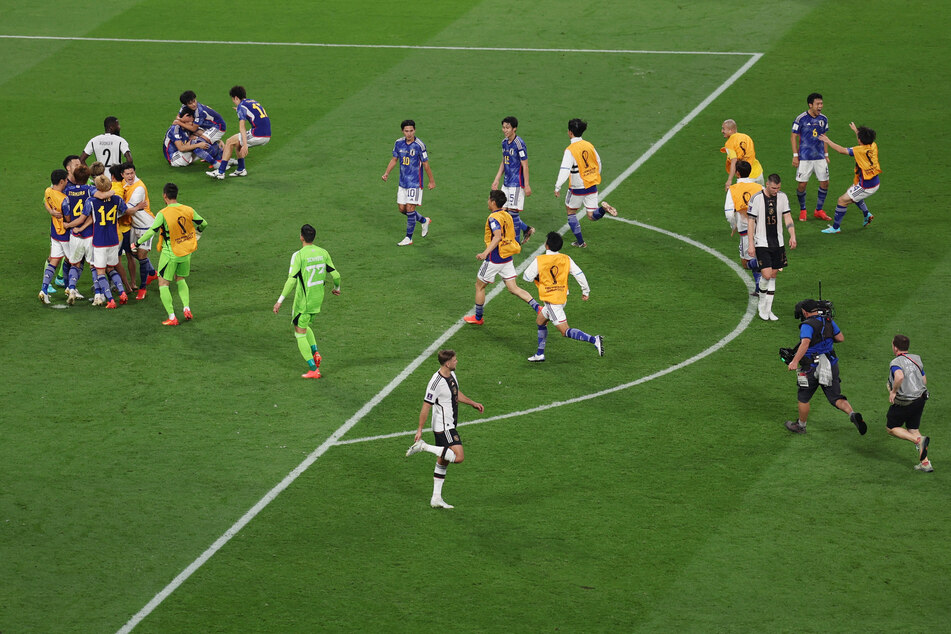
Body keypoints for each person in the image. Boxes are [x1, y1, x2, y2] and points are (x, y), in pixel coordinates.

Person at [405, 349, 484, 509]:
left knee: (443, 460)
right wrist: (420, 429)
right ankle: (423, 446)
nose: (457, 362)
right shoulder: (435, 383)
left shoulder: (452, 375)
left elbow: (454, 393)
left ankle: (436, 498)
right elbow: (426, 406)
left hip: (450, 424)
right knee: (458, 456)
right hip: (444, 427)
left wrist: (472, 403)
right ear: (447, 363)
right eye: (455, 360)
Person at [784, 299, 866, 435]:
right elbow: (840, 338)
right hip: (830, 363)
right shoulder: (828, 321)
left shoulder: (807, 325)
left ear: (804, 312)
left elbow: (805, 343)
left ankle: (801, 426)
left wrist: (794, 361)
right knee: (836, 397)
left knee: (803, 397)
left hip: (810, 367)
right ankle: (851, 413)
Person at [522, 231, 604, 361]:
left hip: (552, 301)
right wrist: (585, 291)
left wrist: (541, 277)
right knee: (540, 321)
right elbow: (579, 274)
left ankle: (594, 340)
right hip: (562, 297)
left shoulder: (540, 260)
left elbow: (526, 277)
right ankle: (540, 354)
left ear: (546, 245)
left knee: (565, 331)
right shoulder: (566, 258)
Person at [272, 224, 341, 379]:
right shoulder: (323, 252)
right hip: (318, 300)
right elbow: (336, 275)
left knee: (299, 333)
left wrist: (279, 301)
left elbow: (291, 281)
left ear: (301, 237)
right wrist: (337, 288)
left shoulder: (299, 255)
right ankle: (315, 352)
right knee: (304, 325)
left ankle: (313, 369)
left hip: (304, 301)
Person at [463, 190, 541, 325]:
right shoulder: (507, 215)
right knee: (513, 288)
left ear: (493, 202)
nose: (487, 201)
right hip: (507, 257)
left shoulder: (493, 219)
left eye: (489, 199)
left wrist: (485, 253)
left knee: (479, 286)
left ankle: (478, 318)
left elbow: (497, 236)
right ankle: (538, 307)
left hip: (494, 258)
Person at [136, 183, 207, 325]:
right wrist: (197, 232)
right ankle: (186, 308)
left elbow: (151, 231)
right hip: (186, 253)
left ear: (164, 196)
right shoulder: (188, 209)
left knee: (163, 283)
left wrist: (137, 243)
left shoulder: (163, 213)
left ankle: (172, 317)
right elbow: (203, 223)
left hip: (170, 254)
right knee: (181, 280)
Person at [554, 118, 617, 248]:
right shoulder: (589, 145)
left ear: (570, 132)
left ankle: (581, 242)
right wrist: (594, 175)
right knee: (591, 215)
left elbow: (565, 170)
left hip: (577, 188)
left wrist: (557, 186)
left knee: (571, 211)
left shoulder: (570, 150)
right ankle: (603, 209)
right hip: (591, 185)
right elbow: (598, 162)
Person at [746, 174, 796, 321]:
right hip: (761, 242)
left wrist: (792, 235)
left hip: (778, 243)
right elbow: (751, 222)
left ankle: (769, 310)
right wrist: (751, 244)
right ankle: (762, 305)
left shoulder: (782, 197)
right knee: (766, 275)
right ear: (767, 184)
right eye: (774, 188)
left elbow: (787, 217)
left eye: (778, 188)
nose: (776, 190)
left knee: (773, 276)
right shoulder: (756, 198)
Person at [818, 122, 881, 233]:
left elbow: (841, 150)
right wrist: (856, 131)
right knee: (851, 193)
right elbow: (864, 139)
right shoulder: (873, 145)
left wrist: (827, 141)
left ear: (860, 140)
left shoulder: (858, 150)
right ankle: (867, 214)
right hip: (873, 181)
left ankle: (836, 228)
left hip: (866, 186)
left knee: (842, 200)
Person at [80, 175, 131, 308]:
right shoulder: (117, 199)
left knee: (100, 272)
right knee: (111, 268)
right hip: (114, 239)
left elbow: (84, 216)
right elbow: (124, 210)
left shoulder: (91, 201)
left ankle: (110, 300)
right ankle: (122, 293)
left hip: (100, 241)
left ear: (97, 187)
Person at [381, 119, 434, 245]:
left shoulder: (419, 145)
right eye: (406, 131)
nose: (409, 133)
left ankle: (408, 238)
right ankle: (423, 220)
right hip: (403, 182)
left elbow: (426, 164)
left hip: (415, 183)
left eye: (411, 131)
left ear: (414, 130)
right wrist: (386, 173)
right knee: (402, 209)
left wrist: (431, 181)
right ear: (402, 131)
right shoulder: (398, 143)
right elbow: (394, 159)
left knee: (410, 208)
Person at [886, 335, 932, 472]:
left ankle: (918, 441)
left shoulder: (896, 362)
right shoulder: (916, 359)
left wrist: (893, 391)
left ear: (895, 347)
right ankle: (925, 463)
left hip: (905, 402)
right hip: (921, 399)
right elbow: (924, 380)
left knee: (891, 427)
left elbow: (899, 376)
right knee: (913, 429)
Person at [210, 85, 271, 179]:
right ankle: (241, 169)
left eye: (233, 100)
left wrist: (245, 144)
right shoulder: (252, 101)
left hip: (258, 134)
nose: (234, 102)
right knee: (237, 143)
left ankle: (220, 172)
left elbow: (242, 128)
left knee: (230, 141)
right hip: (267, 133)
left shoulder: (241, 107)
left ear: (236, 98)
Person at [723, 160, 765, 296]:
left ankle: (765, 267)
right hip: (762, 228)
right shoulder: (760, 188)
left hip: (746, 230)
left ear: (737, 173)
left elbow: (729, 213)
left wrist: (733, 225)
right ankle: (760, 287)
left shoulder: (733, 189)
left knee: (746, 263)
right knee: (759, 255)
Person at [491, 116, 534, 243]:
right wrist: (497, 179)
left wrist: (527, 185)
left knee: (513, 213)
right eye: (503, 127)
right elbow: (504, 161)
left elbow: (525, 164)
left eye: (508, 128)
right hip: (506, 182)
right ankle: (526, 229)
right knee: (503, 211)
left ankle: (515, 243)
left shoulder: (519, 144)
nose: (505, 130)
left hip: (516, 183)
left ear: (514, 129)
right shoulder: (504, 142)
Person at [791, 93, 833, 222]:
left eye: (821, 103)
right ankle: (803, 209)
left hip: (820, 156)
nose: (820, 106)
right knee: (802, 185)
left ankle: (818, 210)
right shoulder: (801, 119)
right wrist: (795, 156)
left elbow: (824, 137)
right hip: (804, 157)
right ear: (810, 105)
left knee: (825, 183)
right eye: (817, 104)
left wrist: (826, 154)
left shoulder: (823, 119)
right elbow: (793, 136)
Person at [121, 162, 158, 299]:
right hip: (134, 225)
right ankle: (153, 273)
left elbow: (126, 209)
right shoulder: (124, 184)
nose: (130, 176)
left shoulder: (139, 188)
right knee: (132, 252)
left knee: (141, 256)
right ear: (122, 175)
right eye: (127, 174)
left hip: (146, 225)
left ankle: (142, 289)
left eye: (132, 173)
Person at [39, 169, 70, 304]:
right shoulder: (64, 200)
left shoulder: (48, 191)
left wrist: (52, 212)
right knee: (73, 261)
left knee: (54, 261)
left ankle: (44, 289)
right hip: (65, 233)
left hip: (55, 233)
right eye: (66, 180)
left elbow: (46, 201)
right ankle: (71, 289)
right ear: (62, 181)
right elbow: (68, 219)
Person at [720, 119, 764, 190]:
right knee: (761, 198)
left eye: (723, 129)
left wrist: (729, 180)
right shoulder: (746, 137)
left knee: (745, 199)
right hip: (758, 172)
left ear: (730, 130)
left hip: (746, 177)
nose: (722, 131)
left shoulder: (729, 143)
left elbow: (734, 162)